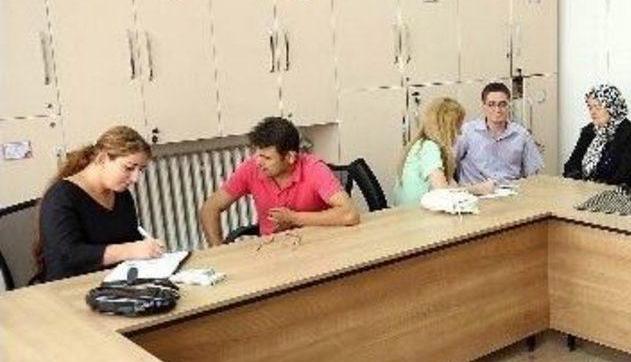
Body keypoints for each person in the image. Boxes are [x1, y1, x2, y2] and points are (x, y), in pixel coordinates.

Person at [200, 117, 359, 246]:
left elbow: (350, 214)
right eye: (258, 154)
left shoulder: (314, 169)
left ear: (290, 157)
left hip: (318, 244)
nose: (259, 162)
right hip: (273, 249)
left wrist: (294, 218)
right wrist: (217, 251)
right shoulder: (251, 168)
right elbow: (209, 209)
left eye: (267, 158)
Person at [35, 126, 165, 282]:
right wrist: (129, 250)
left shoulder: (121, 194)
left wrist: (148, 249)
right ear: (102, 159)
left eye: (141, 170)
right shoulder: (61, 197)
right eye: (129, 168)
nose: (135, 178)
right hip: (71, 287)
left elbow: (131, 238)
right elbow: (69, 256)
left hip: (114, 282)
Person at [394, 97, 495, 206]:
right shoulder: (429, 148)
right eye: (457, 126)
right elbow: (443, 193)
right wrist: (478, 189)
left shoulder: (424, 145)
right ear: (446, 127)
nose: (460, 132)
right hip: (417, 213)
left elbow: (452, 187)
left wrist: (474, 189)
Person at [455, 82, 544, 185]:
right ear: (483, 106)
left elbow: (533, 174)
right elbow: (449, 165)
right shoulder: (468, 131)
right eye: (491, 105)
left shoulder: (521, 135)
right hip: (474, 191)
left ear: (509, 106)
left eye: (502, 104)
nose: (497, 110)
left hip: (509, 191)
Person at [563, 84, 631, 189]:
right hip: (587, 191)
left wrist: (591, 186)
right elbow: (571, 165)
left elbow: (623, 178)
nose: (592, 112)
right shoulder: (589, 131)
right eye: (590, 107)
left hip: (623, 194)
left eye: (598, 107)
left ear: (612, 108)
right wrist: (580, 183)